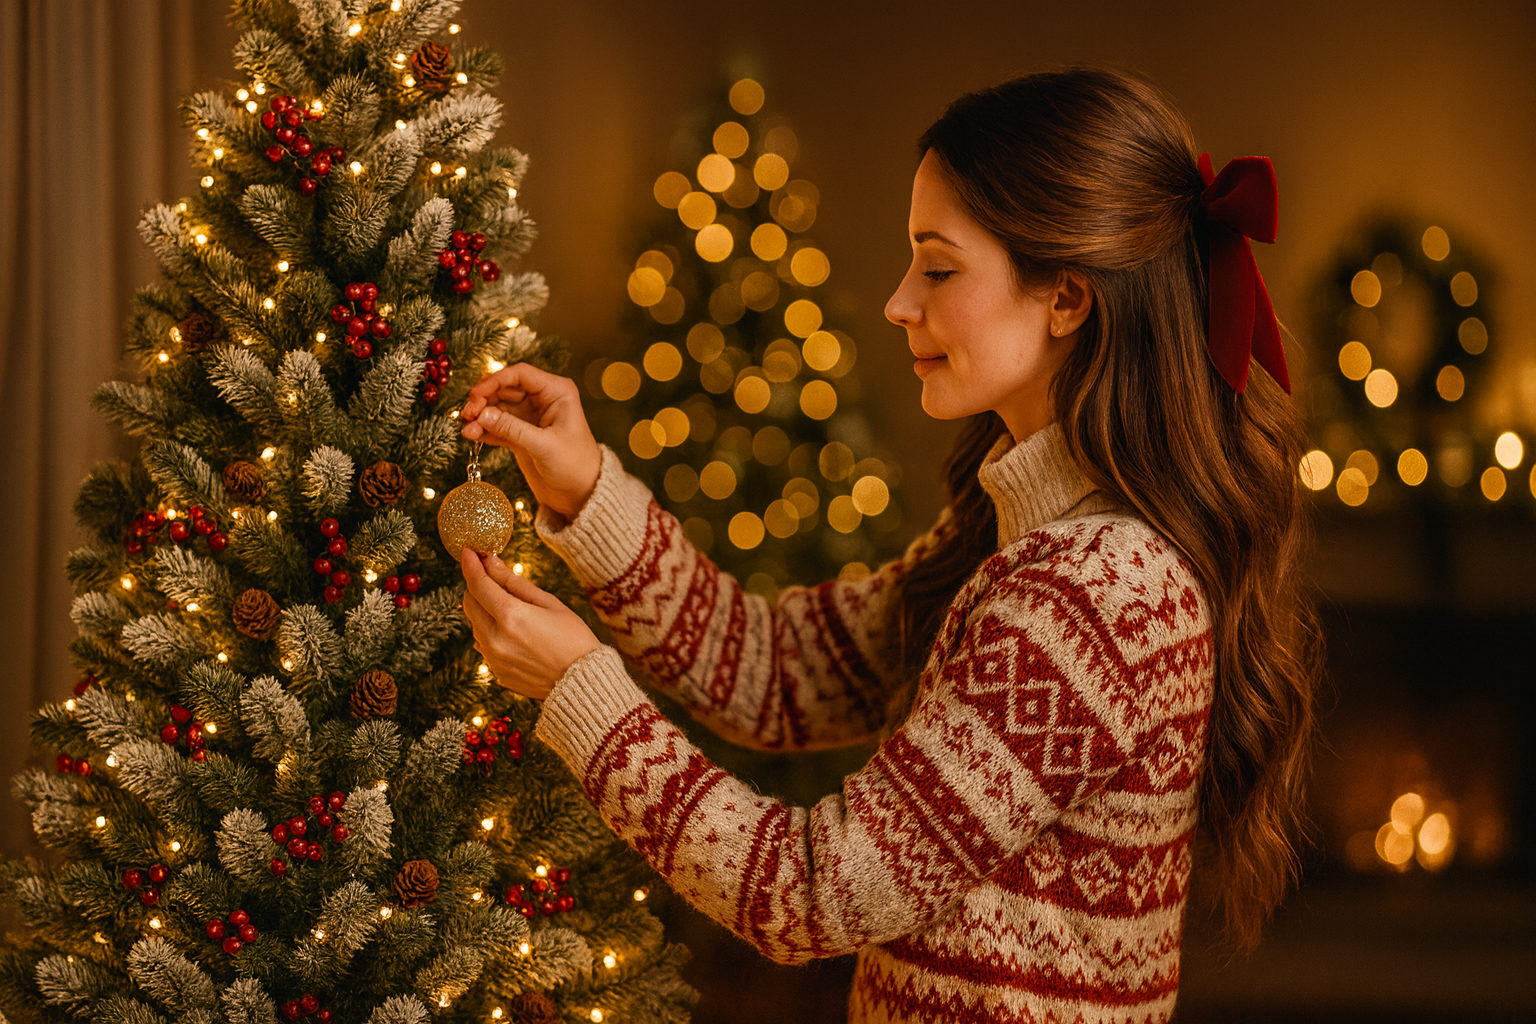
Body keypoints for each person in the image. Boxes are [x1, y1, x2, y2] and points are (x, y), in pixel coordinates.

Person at [454, 65, 1319, 1024]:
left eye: (938, 268)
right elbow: (776, 670)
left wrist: (579, 690)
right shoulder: (1025, 536)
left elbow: (809, 892)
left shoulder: (1094, 592)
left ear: (1067, 298)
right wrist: (585, 489)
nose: (899, 302)